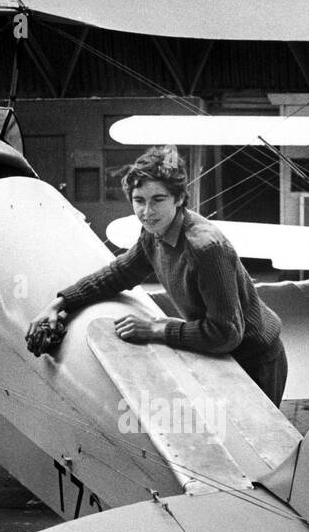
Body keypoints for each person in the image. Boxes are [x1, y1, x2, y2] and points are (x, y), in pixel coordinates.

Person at [26, 145, 288, 405]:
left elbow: (226, 333)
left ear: (179, 198)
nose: (147, 212)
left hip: (255, 360)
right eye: (139, 201)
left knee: (255, 445)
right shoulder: (154, 233)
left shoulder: (205, 247)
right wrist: (59, 303)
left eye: (158, 200)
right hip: (220, 356)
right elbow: (120, 273)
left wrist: (155, 328)